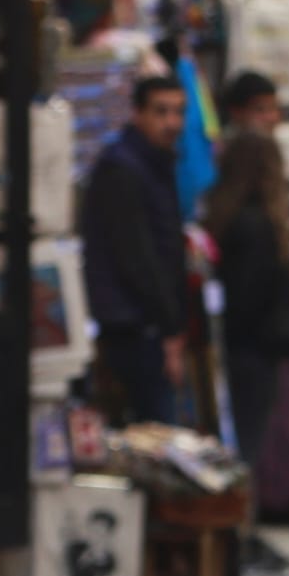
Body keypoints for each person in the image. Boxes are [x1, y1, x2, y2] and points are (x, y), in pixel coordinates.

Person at [206, 129, 289, 573]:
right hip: (254, 347)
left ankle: (239, 532)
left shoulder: (227, 221)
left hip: (238, 345)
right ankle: (239, 536)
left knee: (239, 440)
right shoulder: (260, 226)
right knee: (247, 443)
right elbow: (254, 295)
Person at [84, 76, 191, 424]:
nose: (172, 122)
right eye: (161, 112)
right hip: (136, 326)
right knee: (154, 432)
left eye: (178, 112)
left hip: (144, 323)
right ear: (138, 114)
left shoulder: (154, 162)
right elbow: (138, 258)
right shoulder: (124, 168)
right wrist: (169, 328)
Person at [220, 69, 284, 135]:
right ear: (236, 112)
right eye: (260, 110)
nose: (271, 118)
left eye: (273, 108)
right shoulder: (219, 143)